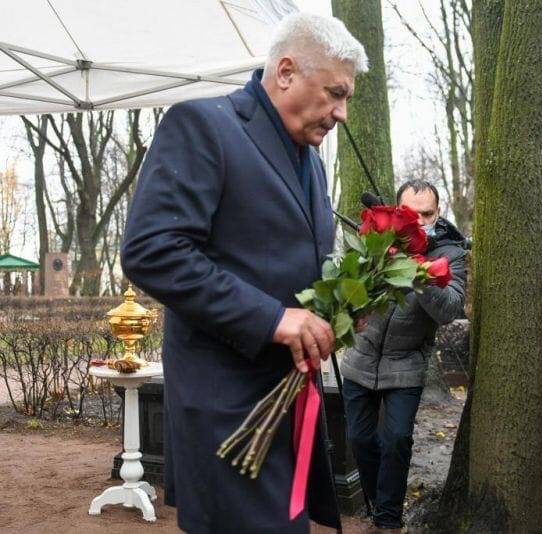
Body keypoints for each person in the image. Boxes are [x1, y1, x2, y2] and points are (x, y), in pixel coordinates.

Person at [121, 13, 368, 533]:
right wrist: (274, 318)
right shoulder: (204, 126)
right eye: (335, 93)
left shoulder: (312, 162)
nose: (342, 113)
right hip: (227, 410)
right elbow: (152, 250)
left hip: (285, 403)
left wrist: (341, 308)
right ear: (284, 72)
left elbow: (288, 264)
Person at [339, 179, 467, 530]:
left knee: (396, 440)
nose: (421, 220)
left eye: (428, 213)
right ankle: (377, 506)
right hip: (359, 358)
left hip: (406, 364)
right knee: (360, 440)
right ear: (398, 213)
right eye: (412, 214)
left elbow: (450, 309)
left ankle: (388, 521)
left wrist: (418, 270)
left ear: (438, 212)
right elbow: (348, 287)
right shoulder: (378, 240)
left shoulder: (452, 253)